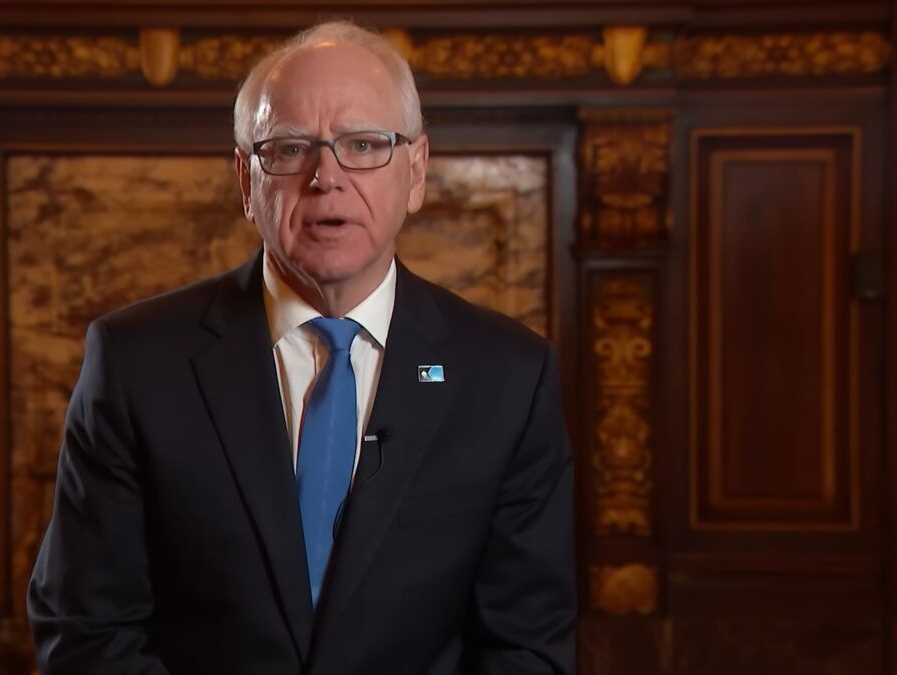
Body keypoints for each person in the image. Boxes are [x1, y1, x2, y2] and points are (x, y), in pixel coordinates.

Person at [28, 21, 576, 675]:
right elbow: (86, 632)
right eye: (290, 149)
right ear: (246, 180)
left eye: (364, 145)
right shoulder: (136, 363)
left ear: (416, 171)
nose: (326, 178)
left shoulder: (509, 377)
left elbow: (527, 646)